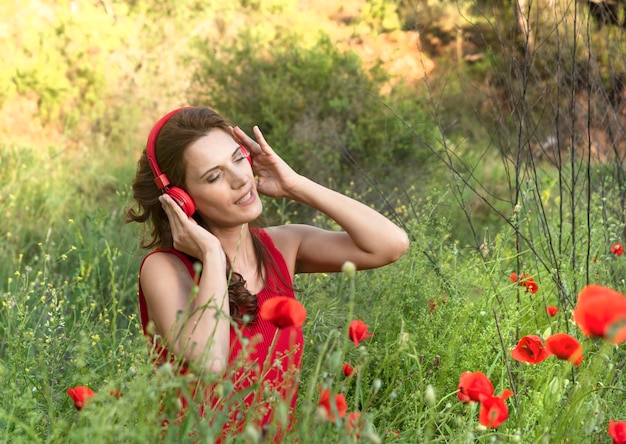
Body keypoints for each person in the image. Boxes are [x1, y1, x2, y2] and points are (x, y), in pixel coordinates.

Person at [125, 106, 409, 440]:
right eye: (214, 176)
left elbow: (391, 244)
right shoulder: (164, 269)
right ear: (181, 199)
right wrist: (213, 254)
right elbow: (211, 361)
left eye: (238, 158)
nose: (241, 178)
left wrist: (295, 185)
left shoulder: (283, 245)